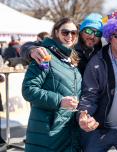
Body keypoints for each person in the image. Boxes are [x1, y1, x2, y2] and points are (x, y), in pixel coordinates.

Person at [77, 10, 117, 152]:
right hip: (101, 129)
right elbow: (89, 95)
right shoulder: (97, 62)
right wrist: (84, 114)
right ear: (110, 37)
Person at [22, 18, 82, 151]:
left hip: (67, 132)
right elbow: (28, 89)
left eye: (73, 33)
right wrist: (60, 100)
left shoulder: (71, 58)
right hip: (47, 132)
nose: (69, 36)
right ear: (56, 32)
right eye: (65, 32)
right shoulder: (45, 55)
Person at [20, 13, 103, 75]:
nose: (92, 36)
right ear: (80, 32)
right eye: (89, 31)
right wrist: (31, 50)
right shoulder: (69, 43)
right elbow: (30, 45)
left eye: (98, 33)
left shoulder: (101, 52)